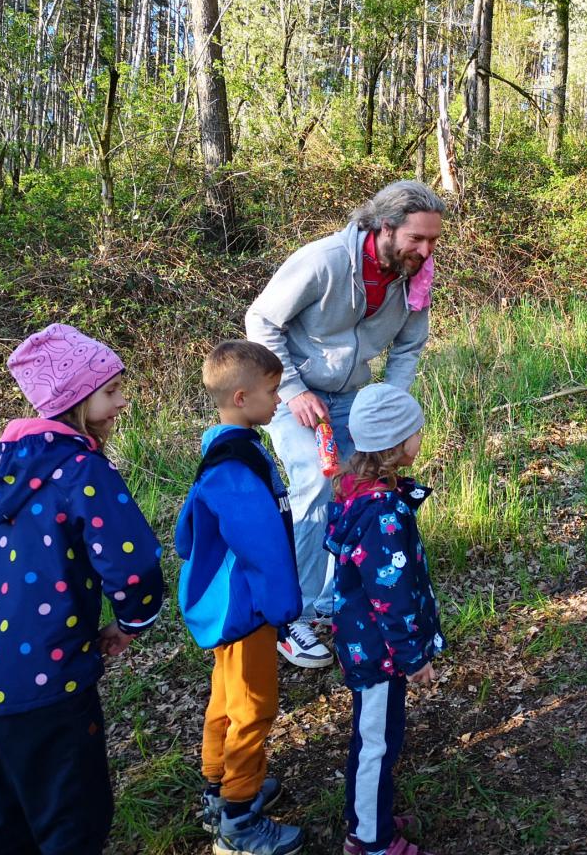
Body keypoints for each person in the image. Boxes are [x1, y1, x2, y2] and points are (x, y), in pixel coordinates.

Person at [0, 323, 165, 854]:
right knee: (73, 815)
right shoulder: (81, 471)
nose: (122, 402)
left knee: (9, 813)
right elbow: (132, 561)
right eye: (111, 391)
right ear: (75, 399)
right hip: (54, 677)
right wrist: (133, 620)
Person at [246, 180, 445, 669]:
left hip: (354, 396)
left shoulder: (415, 275)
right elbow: (262, 321)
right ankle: (293, 615)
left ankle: (338, 597)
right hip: (290, 393)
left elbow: (408, 347)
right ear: (385, 226)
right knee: (317, 482)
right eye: (417, 238)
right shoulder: (325, 261)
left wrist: (388, 409)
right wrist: (292, 388)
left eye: (433, 240)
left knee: (366, 485)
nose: (426, 251)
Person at [174, 341, 304, 855]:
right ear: (242, 397)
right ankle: (239, 817)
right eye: (273, 391)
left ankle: (218, 785)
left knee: (225, 700)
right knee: (253, 708)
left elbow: (186, 534)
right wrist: (283, 608)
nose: (279, 400)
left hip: (228, 604)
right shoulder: (238, 465)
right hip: (247, 607)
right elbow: (263, 546)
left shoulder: (219, 450)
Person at [326, 383, 444, 855]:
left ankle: (368, 813)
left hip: (372, 644)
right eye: (416, 430)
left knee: (380, 736)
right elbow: (390, 596)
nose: (421, 437)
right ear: (396, 443)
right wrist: (414, 657)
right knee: (376, 743)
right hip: (380, 651)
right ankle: (369, 840)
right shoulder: (381, 515)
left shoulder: (363, 493)